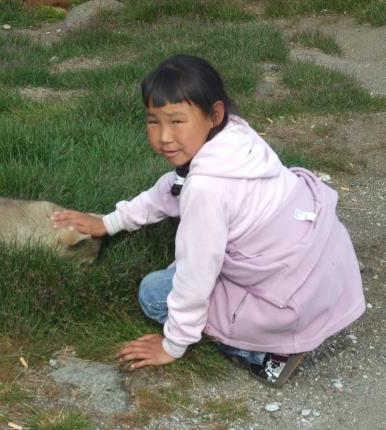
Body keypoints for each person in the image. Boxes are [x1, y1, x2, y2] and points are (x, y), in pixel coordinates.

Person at [51, 54, 365, 387]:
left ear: (213, 115)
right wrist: (111, 222)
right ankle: (291, 328)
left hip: (290, 305)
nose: (163, 136)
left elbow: (196, 273)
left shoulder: (206, 189)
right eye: (153, 121)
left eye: (176, 121)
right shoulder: (235, 138)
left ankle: (269, 354)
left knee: (155, 292)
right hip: (327, 272)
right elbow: (172, 188)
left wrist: (172, 344)